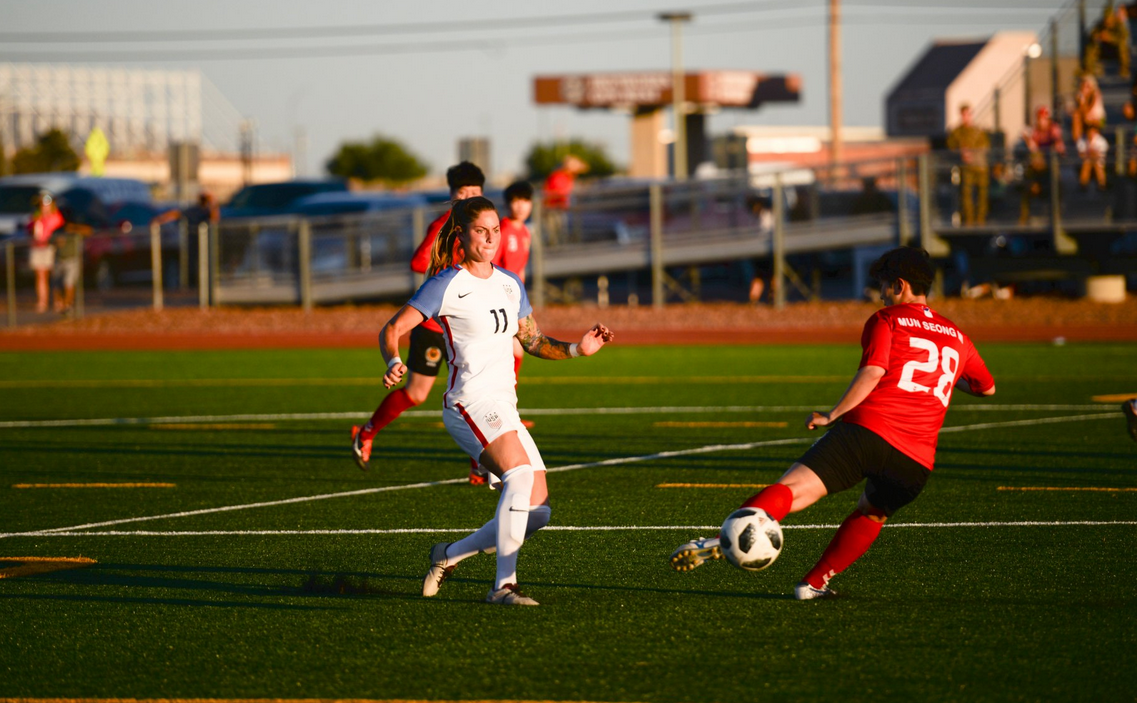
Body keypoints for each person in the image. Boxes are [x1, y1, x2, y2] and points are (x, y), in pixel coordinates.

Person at [670, 246, 996, 600]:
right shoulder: (957, 336)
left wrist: (834, 414)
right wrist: (946, 381)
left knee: (792, 490)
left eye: (884, 286)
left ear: (900, 285)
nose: (881, 293)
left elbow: (873, 372)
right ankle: (812, 584)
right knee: (872, 514)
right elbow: (987, 388)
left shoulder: (887, 319)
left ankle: (726, 537)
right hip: (915, 461)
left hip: (868, 433)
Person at [375, 196, 612, 606]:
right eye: (480, 231)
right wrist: (394, 359)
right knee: (518, 478)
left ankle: (447, 556)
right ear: (462, 235)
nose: (489, 239)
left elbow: (532, 340)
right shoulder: (446, 283)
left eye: (495, 231)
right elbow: (392, 328)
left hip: (503, 406)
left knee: (538, 513)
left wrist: (578, 349)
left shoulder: (509, 283)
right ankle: (503, 586)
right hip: (467, 403)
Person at [351, 161, 484, 472]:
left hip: (468, 325)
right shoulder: (443, 226)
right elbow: (418, 261)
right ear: (452, 195)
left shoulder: (486, 227)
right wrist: (450, 274)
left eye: (474, 193)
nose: (467, 198)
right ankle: (366, 433)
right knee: (416, 393)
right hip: (435, 324)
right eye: (462, 193)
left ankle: (480, 465)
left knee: (477, 392)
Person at [946, 104, 990, 226]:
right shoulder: (957, 132)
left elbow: (984, 147)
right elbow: (951, 146)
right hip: (966, 168)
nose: (967, 117)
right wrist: (961, 153)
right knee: (966, 195)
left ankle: (981, 221)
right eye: (964, 114)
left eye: (969, 114)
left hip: (980, 167)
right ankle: (969, 221)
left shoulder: (978, 131)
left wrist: (972, 154)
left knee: (982, 194)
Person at [1020, 106, 1066, 223]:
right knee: (1027, 186)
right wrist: (1027, 140)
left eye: (1044, 118)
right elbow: (1033, 148)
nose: (1041, 121)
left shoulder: (1053, 129)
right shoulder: (1035, 131)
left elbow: (1059, 147)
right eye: (1039, 118)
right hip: (1037, 168)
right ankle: (1024, 218)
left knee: (1056, 187)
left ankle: (1057, 216)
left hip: (1050, 167)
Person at [27, 191, 65, 313]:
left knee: (55, 276)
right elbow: (31, 230)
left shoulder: (56, 216)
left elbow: (59, 232)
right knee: (40, 275)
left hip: (51, 248)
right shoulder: (36, 216)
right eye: (42, 203)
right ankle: (42, 301)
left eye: (47, 203)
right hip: (38, 247)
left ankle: (57, 301)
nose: (44, 206)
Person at [542, 154, 587, 244]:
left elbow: (584, 167)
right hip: (551, 209)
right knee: (553, 235)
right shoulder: (558, 176)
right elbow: (554, 192)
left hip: (559, 209)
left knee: (560, 233)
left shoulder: (568, 176)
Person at [1072, 74, 1106, 142]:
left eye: (1087, 86)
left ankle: (1092, 143)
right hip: (1086, 122)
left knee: (1086, 120)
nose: (1084, 89)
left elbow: (1088, 115)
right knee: (1076, 115)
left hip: (1100, 122)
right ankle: (1078, 143)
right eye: (1083, 86)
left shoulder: (1096, 96)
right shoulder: (1081, 97)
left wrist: (1082, 103)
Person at [1077, 123, 1109, 191]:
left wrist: (1091, 154)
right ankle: (1083, 185)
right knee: (1087, 164)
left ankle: (1102, 185)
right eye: (1089, 131)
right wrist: (1091, 154)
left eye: (1093, 131)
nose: (1091, 133)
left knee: (1097, 165)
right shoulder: (1082, 139)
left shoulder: (1101, 141)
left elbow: (1101, 154)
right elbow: (1081, 154)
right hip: (1086, 161)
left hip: (1098, 162)